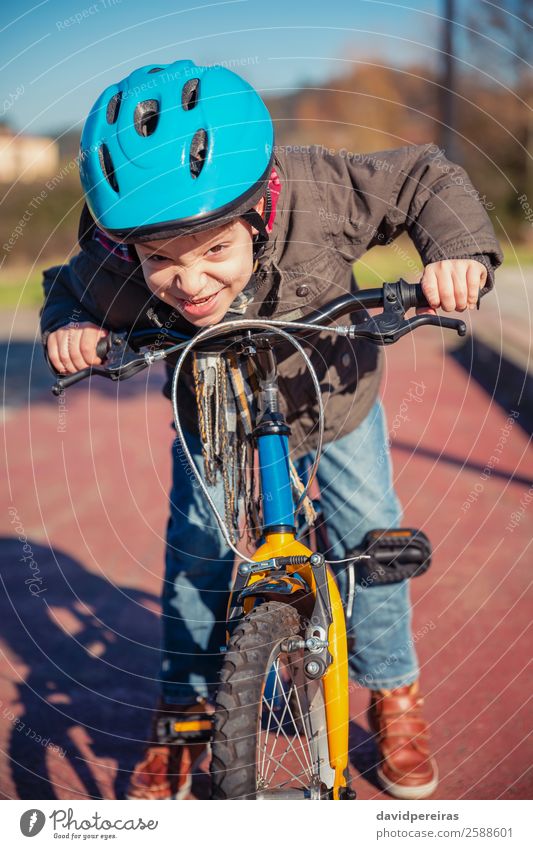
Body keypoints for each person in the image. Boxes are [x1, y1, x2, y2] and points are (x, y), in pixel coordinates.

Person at [40, 59, 503, 800]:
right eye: (161, 262)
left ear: (259, 211)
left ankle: (392, 691)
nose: (188, 283)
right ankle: (185, 711)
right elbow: (69, 292)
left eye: (214, 252)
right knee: (196, 551)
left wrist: (455, 254)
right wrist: (70, 328)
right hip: (215, 406)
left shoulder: (320, 193)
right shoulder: (116, 251)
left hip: (332, 394)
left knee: (367, 532)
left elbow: (422, 177)